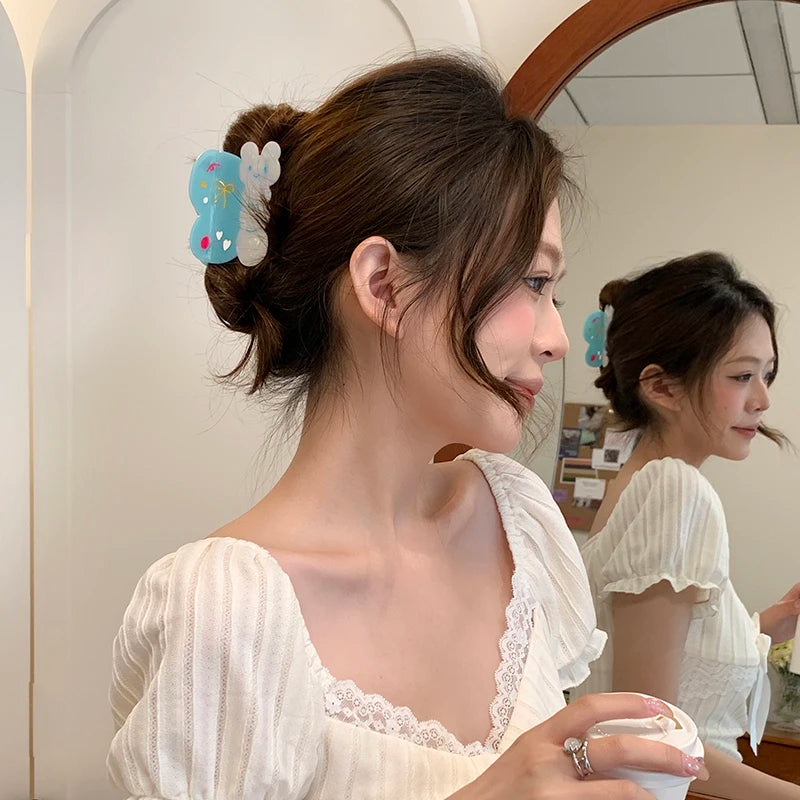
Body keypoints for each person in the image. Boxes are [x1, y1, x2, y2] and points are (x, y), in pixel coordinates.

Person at [106, 54, 708, 799]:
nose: (555, 338)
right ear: (384, 285)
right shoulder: (225, 609)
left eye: (553, 289)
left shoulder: (517, 523)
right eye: (533, 281)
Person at [575, 253, 800, 799]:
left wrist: (766, 625)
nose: (762, 400)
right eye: (742, 376)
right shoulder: (675, 491)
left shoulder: (641, 485)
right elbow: (647, 740)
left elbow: (667, 660)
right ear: (663, 387)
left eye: (767, 375)